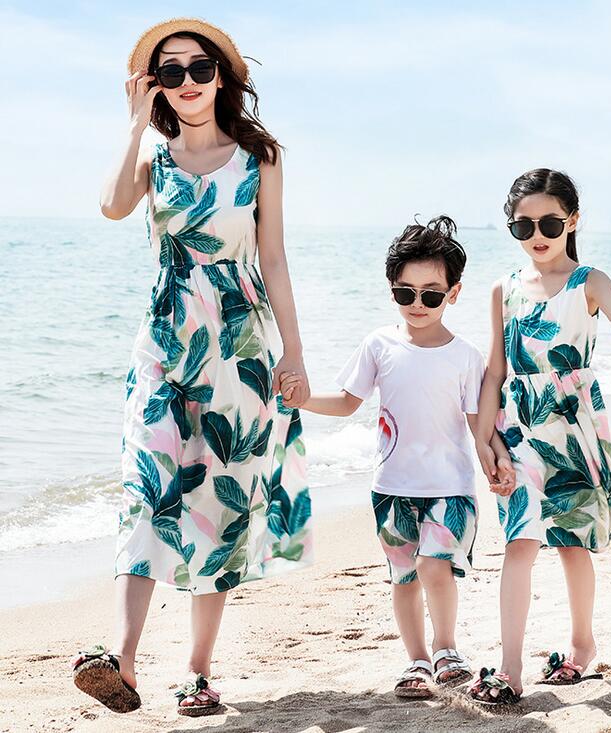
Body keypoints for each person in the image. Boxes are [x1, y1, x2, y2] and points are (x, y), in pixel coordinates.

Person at [71, 18, 311, 717]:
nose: (186, 82)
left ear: (221, 76)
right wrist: (132, 126)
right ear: (154, 86)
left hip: (239, 347)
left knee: (219, 505)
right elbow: (112, 207)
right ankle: (121, 659)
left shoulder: (259, 156)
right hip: (163, 343)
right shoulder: (154, 158)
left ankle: (198, 671)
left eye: (198, 68)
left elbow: (274, 258)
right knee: (147, 487)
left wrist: (294, 351)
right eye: (169, 72)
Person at [468, 168, 611, 705]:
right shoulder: (503, 289)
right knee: (519, 541)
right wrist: (483, 439)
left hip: (571, 426)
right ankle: (509, 670)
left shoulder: (588, 281)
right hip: (518, 428)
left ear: (572, 221)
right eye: (523, 226)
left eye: (550, 223)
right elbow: (495, 371)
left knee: (571, 543)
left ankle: (581, 646)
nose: (537, 235)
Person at [282, 216, 514, 699]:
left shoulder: (466, 356)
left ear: (454, 293)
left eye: (431, 294)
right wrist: (303, 400)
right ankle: (417, 661)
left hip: (450, 487)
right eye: (405, 293)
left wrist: (496, 460)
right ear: (392, 290)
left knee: (434, 565)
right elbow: (348, 402)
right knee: (404, 576)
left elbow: (480, 425)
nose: (417, 304)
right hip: (391, 488)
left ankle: (447, 649)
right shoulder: (379, 344)